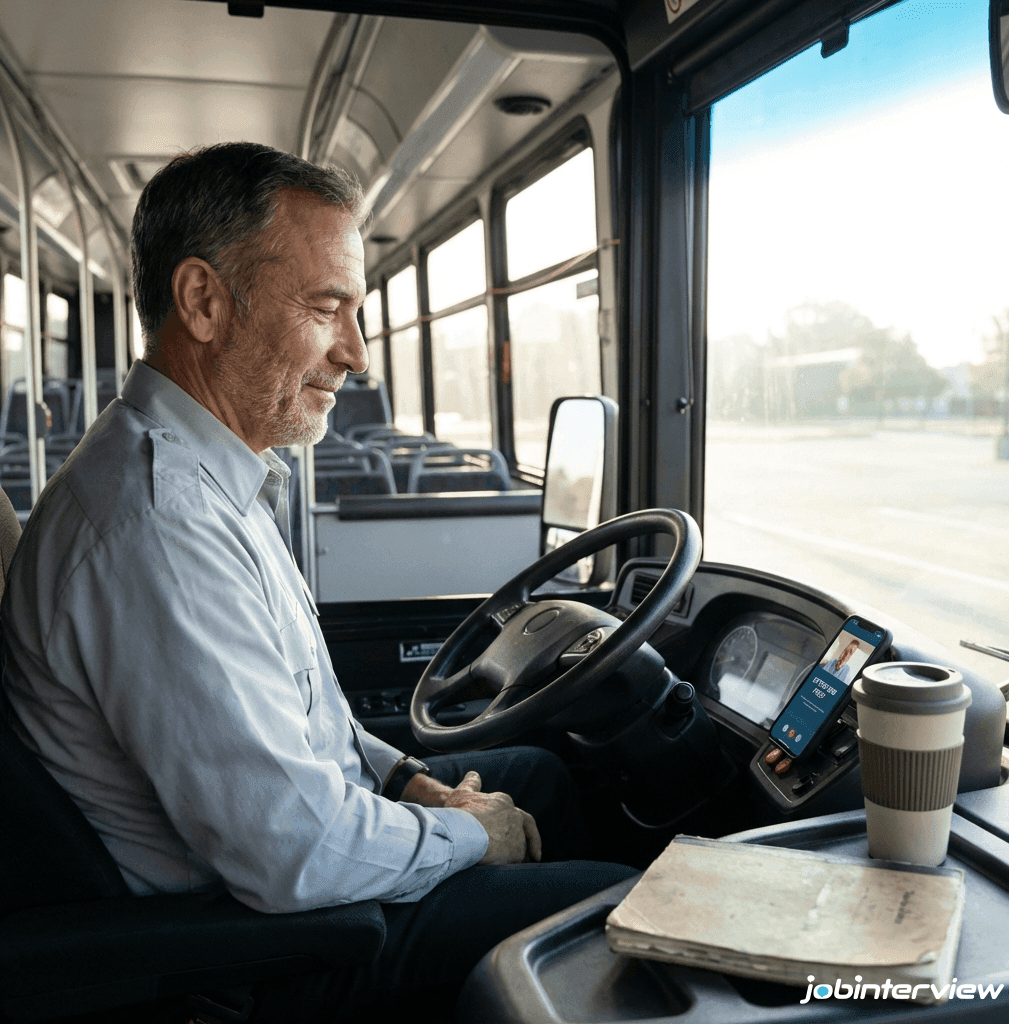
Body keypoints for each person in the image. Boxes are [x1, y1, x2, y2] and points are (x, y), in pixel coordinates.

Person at [0, 142, 634, 1021]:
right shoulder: (154, 526)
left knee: (543, 776)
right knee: (623, 904)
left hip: (280, 876)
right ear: (204, 301)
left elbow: (306, 727)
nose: (359, 356)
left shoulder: (209, 475)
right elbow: (287, 849)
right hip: (262, 948)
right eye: (327, 307)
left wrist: (409, 778)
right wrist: (461, 832)